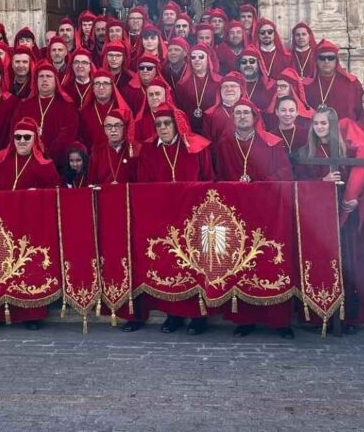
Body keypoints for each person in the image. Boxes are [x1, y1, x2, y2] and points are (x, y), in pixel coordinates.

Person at [294, 106, 364, 329]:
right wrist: (322, 182)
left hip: (345, 217)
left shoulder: (346, 150)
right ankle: (318, 315)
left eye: (324, 123)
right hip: (317, 218)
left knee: (346, 265)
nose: (319, 127)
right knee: (320, 264)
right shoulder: (305, 152)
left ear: (332, 126)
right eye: (316, 123)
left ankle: (347, 317)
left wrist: (355, 198)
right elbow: (297, 184)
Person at [211, 99, 294, 338]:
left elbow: (285, 173)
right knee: (242, 265)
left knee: (272, 262)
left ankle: (279, 321)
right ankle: (245, 319)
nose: (242, 116)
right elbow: (218, 176)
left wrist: (260, 184)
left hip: (269, 210)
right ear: (233, 117)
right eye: (237, 113)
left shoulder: (271, 143)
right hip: (238, 212)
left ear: (254, 116)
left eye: (246, 112)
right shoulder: (225, 144)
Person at [136, 103, 213, 335]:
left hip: (194, 215)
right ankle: (174, 315)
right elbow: (144, 183)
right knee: (169, 266)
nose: (162, 128)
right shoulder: (149, 150)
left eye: (167, 123)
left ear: (177, 124)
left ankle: (199, 316)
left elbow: (208, 178)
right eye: (158, 124)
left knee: (196, 266)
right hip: (164, 216)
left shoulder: (197, 147)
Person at [0, 118, 60, 331]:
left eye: (26, 137)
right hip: (1, 223)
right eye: (18, 137)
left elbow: (55, 192)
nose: (22, 141)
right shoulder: (0, 160)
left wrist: (38, 194)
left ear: (35, 139)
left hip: (29, 226)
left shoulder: (45, 165)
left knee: (28, 269)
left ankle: (31, 314)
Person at [10, 62, 79, 164]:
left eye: (48, 76)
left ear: (56, 81)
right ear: (36, 81)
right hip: (28, 159)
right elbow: (15, 130)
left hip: (57, 160)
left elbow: (68, 135)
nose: (44, 79)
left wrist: (48, 154)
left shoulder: (67, 106)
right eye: (41, 76)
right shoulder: (24, 106)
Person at [304, 39, 363, 121]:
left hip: (344, 128)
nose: (326, 61)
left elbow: (361, 112)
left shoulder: (351, 83)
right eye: (322, 58)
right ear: (316, 61)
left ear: (336, 60)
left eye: (331, 58)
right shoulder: (306, 85)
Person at [175, 43, 222, 132]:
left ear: (208, 59)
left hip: (212, 128)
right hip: (190, 128)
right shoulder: (182, 84)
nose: (197, 60)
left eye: (201, 57)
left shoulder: (219, 82)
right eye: (193, 57)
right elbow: (180, 110)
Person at [86, 109, 136, 185]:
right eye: (109, 126)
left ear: (124, 128)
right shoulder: (97, 153)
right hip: (104, 192)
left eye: (117, 125)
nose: (113, 130)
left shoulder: (133, 151)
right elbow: (92, 183)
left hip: (127, 191)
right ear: (104, 130)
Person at [201, 72, 244, 144]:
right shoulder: (210, 115)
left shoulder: (252, 112)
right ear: (220, 91)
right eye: (225, 86)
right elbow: (207, 144)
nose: (229, 89)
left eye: (233, 86)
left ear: (241, 90)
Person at [236, 45, 275, 111]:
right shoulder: (233, 85)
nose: (248, 65)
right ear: (239, 66)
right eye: (243, 62)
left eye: (252, 61)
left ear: (258, 64)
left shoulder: (270, 85)